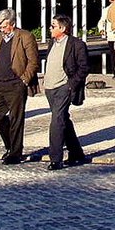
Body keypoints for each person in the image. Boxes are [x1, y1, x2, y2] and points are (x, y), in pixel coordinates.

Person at [0, 8, 40, 165]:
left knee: (16, 118)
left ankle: (15, 153)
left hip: (15, 83)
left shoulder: (25, 36)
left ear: (12, 23)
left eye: (4, 26)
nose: (2, 29)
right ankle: (10, 145)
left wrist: (24, 80)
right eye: (0, 27)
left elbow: (33, 61)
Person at [41, 14, 90, 170]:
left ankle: (55, 158)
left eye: (53, 26)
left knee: (56, 121)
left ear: (62, 28)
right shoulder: (52, 43)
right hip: (50, 87)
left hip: (64, 87)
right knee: (63, 120)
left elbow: (84, 67)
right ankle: (76, 153)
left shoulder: (76, 44)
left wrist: (71, 85)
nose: (50, 28)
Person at [96, 0, 115, 76]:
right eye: (112, 0)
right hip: (111, 35)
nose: (114, 2)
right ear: (109, 0)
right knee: (113, 55)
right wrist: (101, 29)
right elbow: (102, 21)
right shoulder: (106, 10)